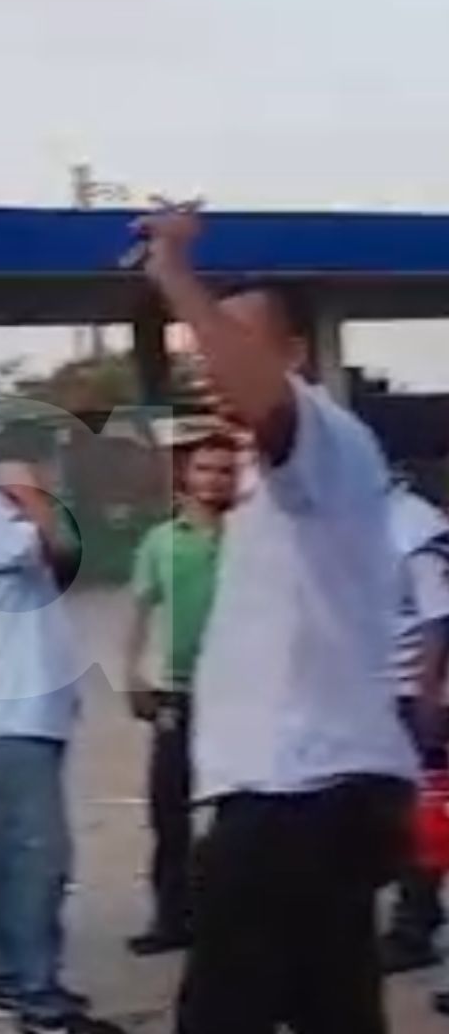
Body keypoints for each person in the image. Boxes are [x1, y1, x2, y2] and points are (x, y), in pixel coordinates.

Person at [140, 206, 417, 1034]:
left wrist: (173, 276)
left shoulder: (321, 438)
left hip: (294, 795)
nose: (212, 360)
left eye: (235, 340)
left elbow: (271, 406)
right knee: (332, 1006)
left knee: (227, 1013)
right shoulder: (276, 477)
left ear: (294, 356)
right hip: (319, 790)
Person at [0, 421, 97, 1033]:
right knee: (42, 853)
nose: (57, 479)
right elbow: (59, 548)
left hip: (33, 710)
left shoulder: (9, 522)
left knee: (17, 850)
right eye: (49, 465)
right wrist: (29, 492)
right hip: (10, 711)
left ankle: (14, 977)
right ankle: (36, 994)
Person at [120, 433, 238, 957]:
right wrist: (132, 674)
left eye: (225, 470)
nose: (214, 479)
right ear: (186, 477)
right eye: (205, 469)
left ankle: (240, 916)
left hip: (242, 696)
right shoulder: (161, 542)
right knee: (170, 809)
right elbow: (141, 612)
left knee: (241, 814)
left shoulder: (253, 538)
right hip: (177, 693)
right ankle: (172, 919)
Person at [378, 474, 449, 975]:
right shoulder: (357, 516)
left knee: (423, 816)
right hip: (370, 692)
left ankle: (414, 926)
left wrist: (428, 695)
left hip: (410, 692)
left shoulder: (414, 525)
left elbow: (437, 619)